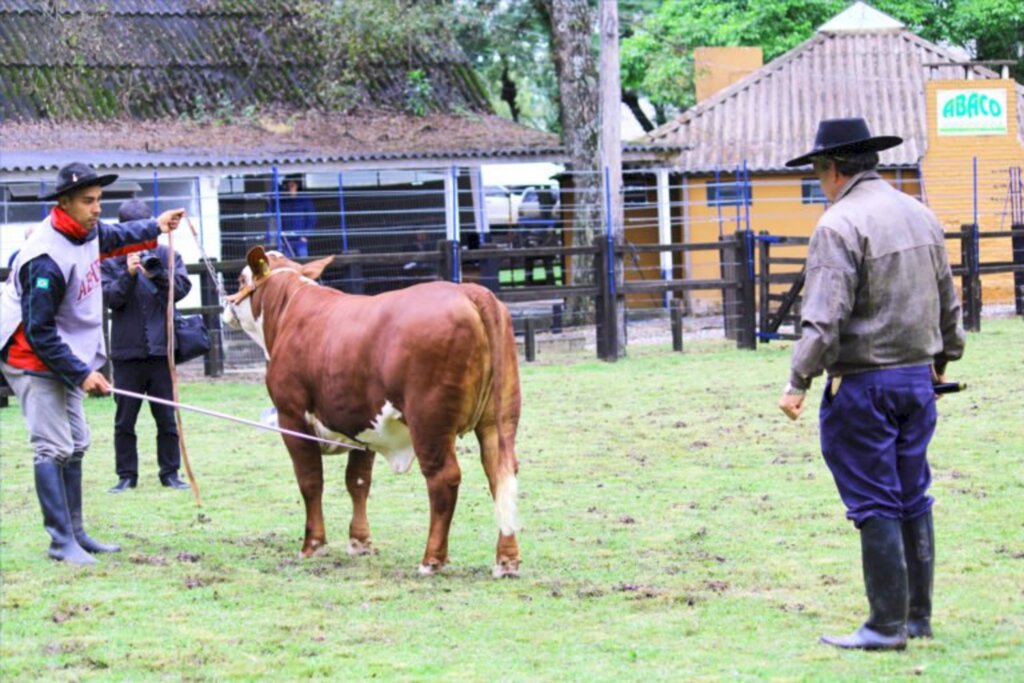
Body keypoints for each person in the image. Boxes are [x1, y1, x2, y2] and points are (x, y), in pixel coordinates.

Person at [777, 118, 965, 650]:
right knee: (912, 493)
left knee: (874, 499)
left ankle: (884, 625)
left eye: (818, 171)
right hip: (917, 381)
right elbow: (948, 299)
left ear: (833, 169)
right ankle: (916, 617)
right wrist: (945, 356)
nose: (819, 182)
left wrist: (798, 379)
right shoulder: (921, 214)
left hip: (863, 384)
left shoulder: (839, 225)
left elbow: (823, 317)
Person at [0, 162, 184, 565]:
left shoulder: (86, 231)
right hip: (31, 357)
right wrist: (82, 374)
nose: (97, 208)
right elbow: (37, 331)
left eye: (100, 200)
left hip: (62, 355)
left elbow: (117, 236)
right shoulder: (44, 258)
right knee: (53, 446)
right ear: (63, 203)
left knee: (77, 442)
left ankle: (77, 531)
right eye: (88, 201)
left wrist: (157, 225)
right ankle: (59, 541)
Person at [101, 199, 192, 493]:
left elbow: (181, 290)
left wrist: (159, 275)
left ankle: (170, 473)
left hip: (161, 351)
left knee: (166, 418)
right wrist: (128, 274)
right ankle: (127, 476)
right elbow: (110, 299)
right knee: (124, 420)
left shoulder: (167, 255)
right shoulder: (109, 260)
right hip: (127, 353)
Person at [276, 176, 317, 258]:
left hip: (300, 240)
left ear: (297, 186)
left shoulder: (304, 200)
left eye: (292, 186)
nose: (290, 188)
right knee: (288, 265)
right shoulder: (283, 201)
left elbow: (312, 218)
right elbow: (277, 216)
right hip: (287, 240)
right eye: (288, 186)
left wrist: (306, 235)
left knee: (303, 264)